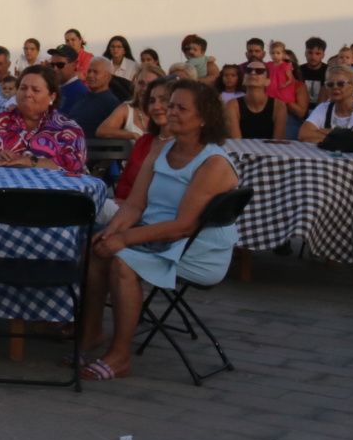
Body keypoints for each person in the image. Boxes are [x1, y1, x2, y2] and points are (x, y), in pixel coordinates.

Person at [80, 80, 240, 381]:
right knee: (94, 246)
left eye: (181, 108)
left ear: (204, 118)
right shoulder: (162, 148)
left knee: (121, 262)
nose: (170, 112)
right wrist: (112, 232)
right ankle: (91, 334)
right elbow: (134, 206)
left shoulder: (213, 162)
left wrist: (123, 240)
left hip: (196, 249)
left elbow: (183, 226)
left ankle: (120, 356)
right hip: (157, 234)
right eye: (171, 105)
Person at [0, 64, 88, 175]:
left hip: (51, 193)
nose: (27, 94)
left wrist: (30, 161)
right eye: (23, 88)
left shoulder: (68, 130)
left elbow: (75, 165)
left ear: (52, 96)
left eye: (35, 90)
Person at [114, 76, 175, 202]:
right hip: (124, 208)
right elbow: (124, 182)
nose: (156, 106)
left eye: (164, 100)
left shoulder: (185, 145)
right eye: (152, 101)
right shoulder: (144, 141)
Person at [298, 65, 353, 143]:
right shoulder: (323, 108)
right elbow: (304, 134)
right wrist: (346, 135)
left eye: (340, 84)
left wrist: (325, 132)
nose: (335, 87)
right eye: (330, 84)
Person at [224, 60, 287, 140]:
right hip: (241, 150)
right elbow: (236, 141)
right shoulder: (232, 105)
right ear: (243, 79)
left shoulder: (279, 106)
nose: (253, 73)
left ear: (267, 81)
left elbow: (278, 141)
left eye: (259, 71)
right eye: (248, 70)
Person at [64, 56, 120, 137]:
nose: (90, 75)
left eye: (95, 72)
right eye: (89, 71)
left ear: (108, 77)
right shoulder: (82, 96)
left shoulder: (111, 103)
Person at [98, 68, 160, 140]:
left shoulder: (165, 110)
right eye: (141, 83)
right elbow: (102, 130)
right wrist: (132, 135)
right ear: (135, 84)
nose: (144, 88)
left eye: (150, 85)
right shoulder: (127, 108)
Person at [49, 45, 87, 111]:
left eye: (60, 65)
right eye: (52, 65)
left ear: (74, 65)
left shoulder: (81, 94)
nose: (55, 69)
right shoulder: (54, 88)